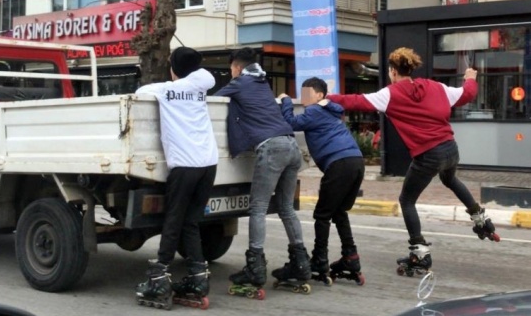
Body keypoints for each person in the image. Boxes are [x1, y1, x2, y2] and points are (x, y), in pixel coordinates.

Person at [327, 47, 499, 275]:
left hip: (428, 155)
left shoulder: (390, 93)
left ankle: (420, 253)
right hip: (450, 148)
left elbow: (355, 101)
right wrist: (470, 79)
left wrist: (324, 99)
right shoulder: (435, 87)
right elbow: (467, 94)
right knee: (450, 179)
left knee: (407, 199)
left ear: (392, 71)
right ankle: (480, 219)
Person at [214, 47, 310, 296]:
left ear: (236, 66)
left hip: (271, 148)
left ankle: (255, 268)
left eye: (231, 68)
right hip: (291, 145)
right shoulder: (262, 82)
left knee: (257, 208)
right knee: (286, 208)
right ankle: (301, 264)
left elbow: (213, 101)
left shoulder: (239, 83)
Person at [133, 46, 218, 309]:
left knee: (173, 220)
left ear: (173, 69)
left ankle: (159, 277)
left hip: (184, 166)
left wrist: (173, 81)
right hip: (208, 164)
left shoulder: (163, 91)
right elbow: (208, 76)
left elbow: (139, 93)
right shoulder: (201, 85)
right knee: (191, 221)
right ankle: (198, 276)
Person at [277, 77, 365, 284]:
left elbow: (291, 123)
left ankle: (319, 260)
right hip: (356, 161)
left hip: (339, 164)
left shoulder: (315, 111)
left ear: (319, 95)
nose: (305, 96)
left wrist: (286, 101)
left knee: (322, 215)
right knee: (339, 212)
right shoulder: (332, 111)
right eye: (302, 92)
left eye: (308, 92)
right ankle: (350, 257)